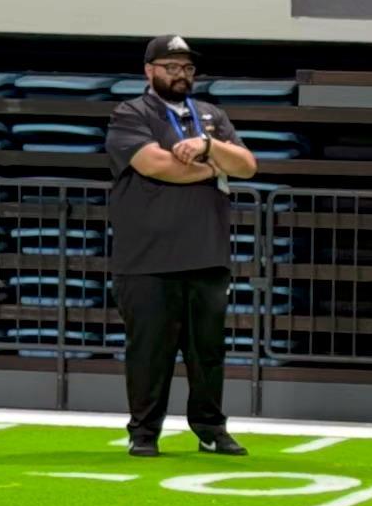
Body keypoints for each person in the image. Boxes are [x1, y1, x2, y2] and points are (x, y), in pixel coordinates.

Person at [104, 35, 258, 458]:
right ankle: (144, 432)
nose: (181, 75)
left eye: (187, 68)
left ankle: (211, 429)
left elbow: (247, 165)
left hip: (206, 252)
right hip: (147, 257)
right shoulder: (130, 113)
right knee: (149, 351)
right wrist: (216, 168)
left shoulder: (211, 116)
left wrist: (209, 147)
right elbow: (156, 165)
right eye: (171, 67)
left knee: (207, 352)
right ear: (149, 70)